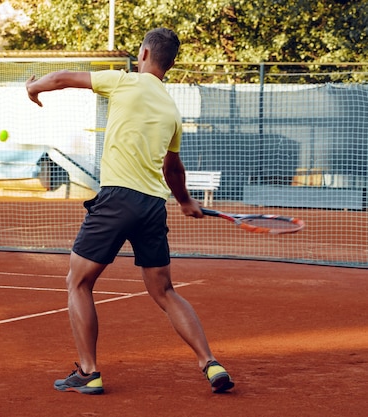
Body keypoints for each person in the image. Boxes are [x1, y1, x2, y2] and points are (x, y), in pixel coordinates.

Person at [25, 27, 234, 395]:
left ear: (143, 54)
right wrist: (185, 201)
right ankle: (210, 362)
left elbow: (60, 78)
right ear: (169, 63)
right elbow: (173, 169)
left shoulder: (123, 82)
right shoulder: (171, 110)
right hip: (153, 206)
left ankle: (89, 372)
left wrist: (33, 88)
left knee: (78, 282)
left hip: (118, 198)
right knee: (165, 291)